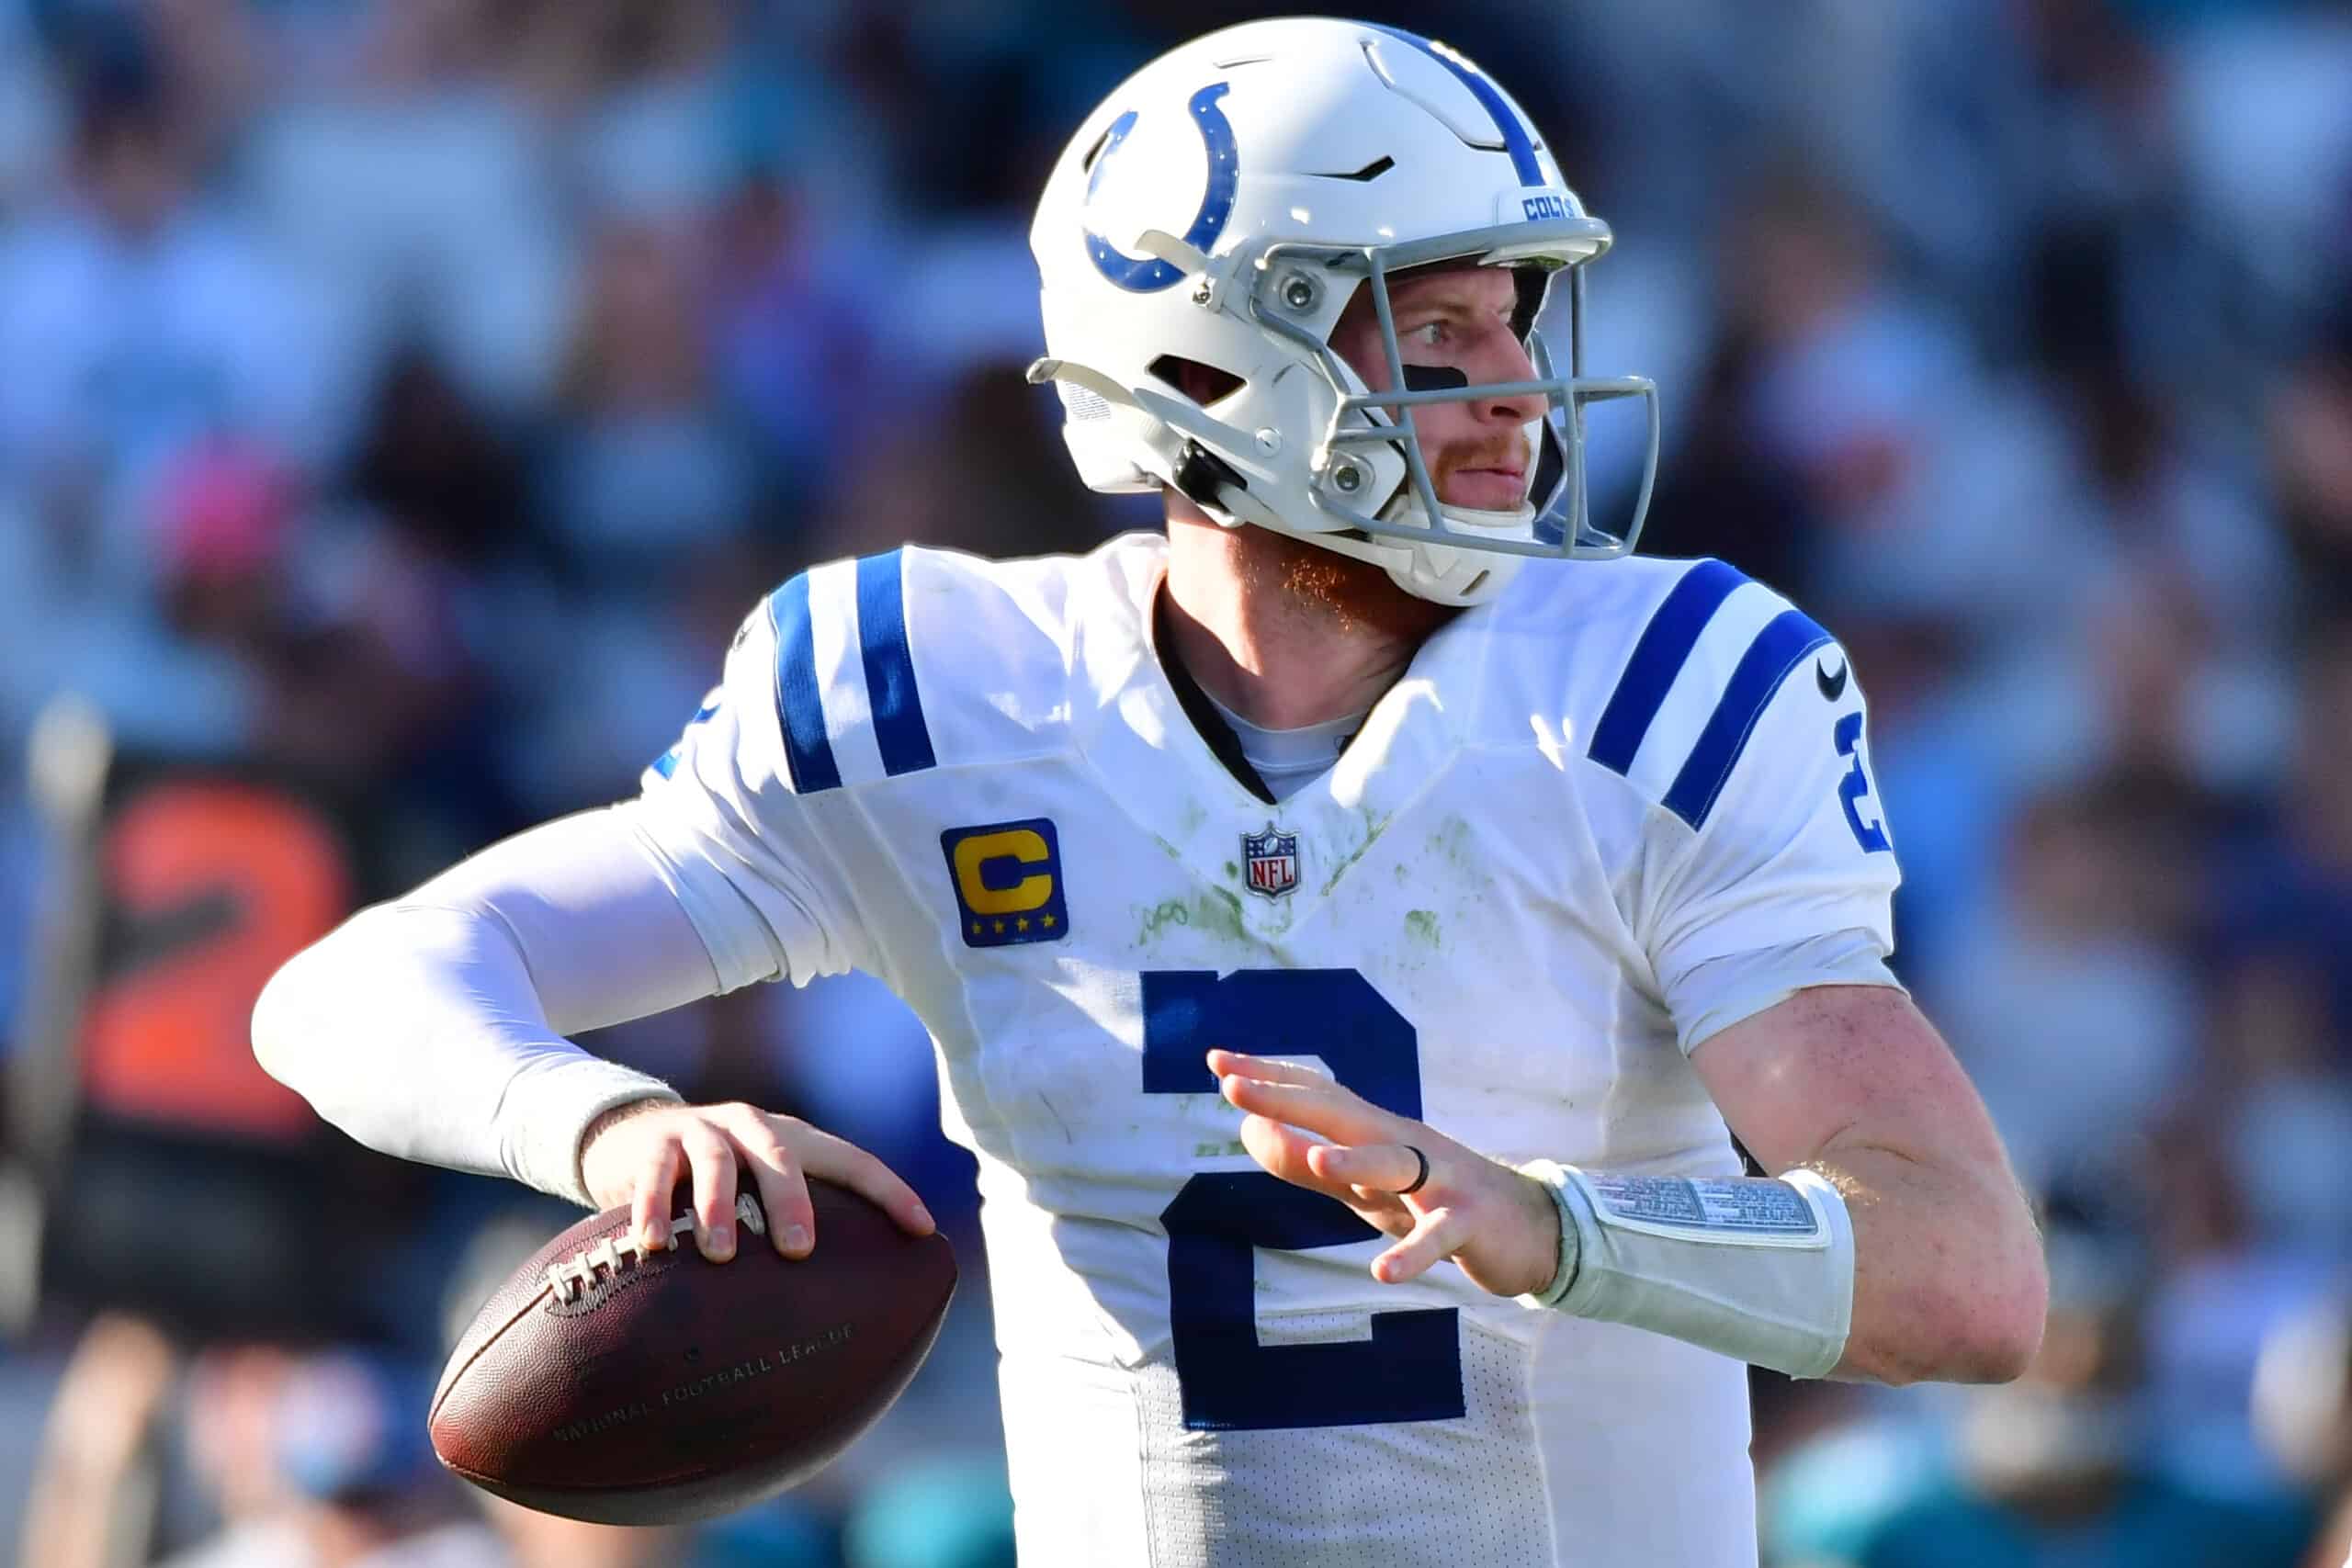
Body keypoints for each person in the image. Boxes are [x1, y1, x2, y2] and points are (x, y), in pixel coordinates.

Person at [253, 18, 2047, 1565]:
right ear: (1207, 373)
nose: (1514, 392)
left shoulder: (1653, 688)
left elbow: (1963, 1268)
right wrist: (606, 1127)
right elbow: (342, 988)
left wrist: (1549, 1227)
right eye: (1434, 331)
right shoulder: (938, 697)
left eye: (1515, 319)